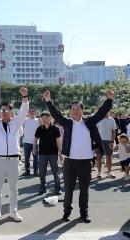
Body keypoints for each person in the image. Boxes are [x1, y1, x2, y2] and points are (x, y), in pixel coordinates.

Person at [43, 89, 114, 223]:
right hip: (70, 162)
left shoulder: (89, 122)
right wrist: (48, 101)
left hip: (86, 162)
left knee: (84, 190)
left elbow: (101, 113)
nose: (75, 111)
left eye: (78, 109)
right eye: (73, 109)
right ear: (70, 111)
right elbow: (55, 114)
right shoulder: (67, 123)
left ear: (82, 110)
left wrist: (109, 100)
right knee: (68, 189)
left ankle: (84, 213)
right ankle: (66, 213)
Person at [0, 87, 29, 222]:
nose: (2, 112)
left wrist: (24, 97)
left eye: (5, 110)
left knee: (14, 188)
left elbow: (24, 110)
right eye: (1, 110)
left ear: (11, 112)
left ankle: (13, 211)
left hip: (13, 160)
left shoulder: (16, 122)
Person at [33, 112, 62, 195]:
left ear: (50, 118)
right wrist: (34, 148)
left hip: (53, 154)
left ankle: (57, 188)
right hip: (42, 154)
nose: (44, 119)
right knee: (42, 172)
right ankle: (43, 187)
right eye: (42, 118)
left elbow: (58, 141)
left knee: (55, 171)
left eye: (45, 118)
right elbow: (35, 139)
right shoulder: (40, 128)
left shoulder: (55, 129)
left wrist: (60, 152)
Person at [96, 112, 117, 179]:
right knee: (99, 157)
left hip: (109, 141)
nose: (106, 111)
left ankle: (109, 172)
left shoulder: (112, 120)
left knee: (109, 157)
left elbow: (114, 132)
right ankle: (99, 173)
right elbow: (95, 131)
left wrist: (112, 141)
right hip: (99, 142)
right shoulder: (98, 119)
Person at [22, 106, 40, 177]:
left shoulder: (38, 121)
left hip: (36, 143)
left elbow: (42, 127)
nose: (32, 112)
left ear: (35, 112)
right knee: (26, 158)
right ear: (28, 112)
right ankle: (27, 171)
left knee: (36, 158)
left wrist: (39, 117)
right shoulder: (25, 120)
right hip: (26, 142)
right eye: (30, 111)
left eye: (33, 111)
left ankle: (36, 171)